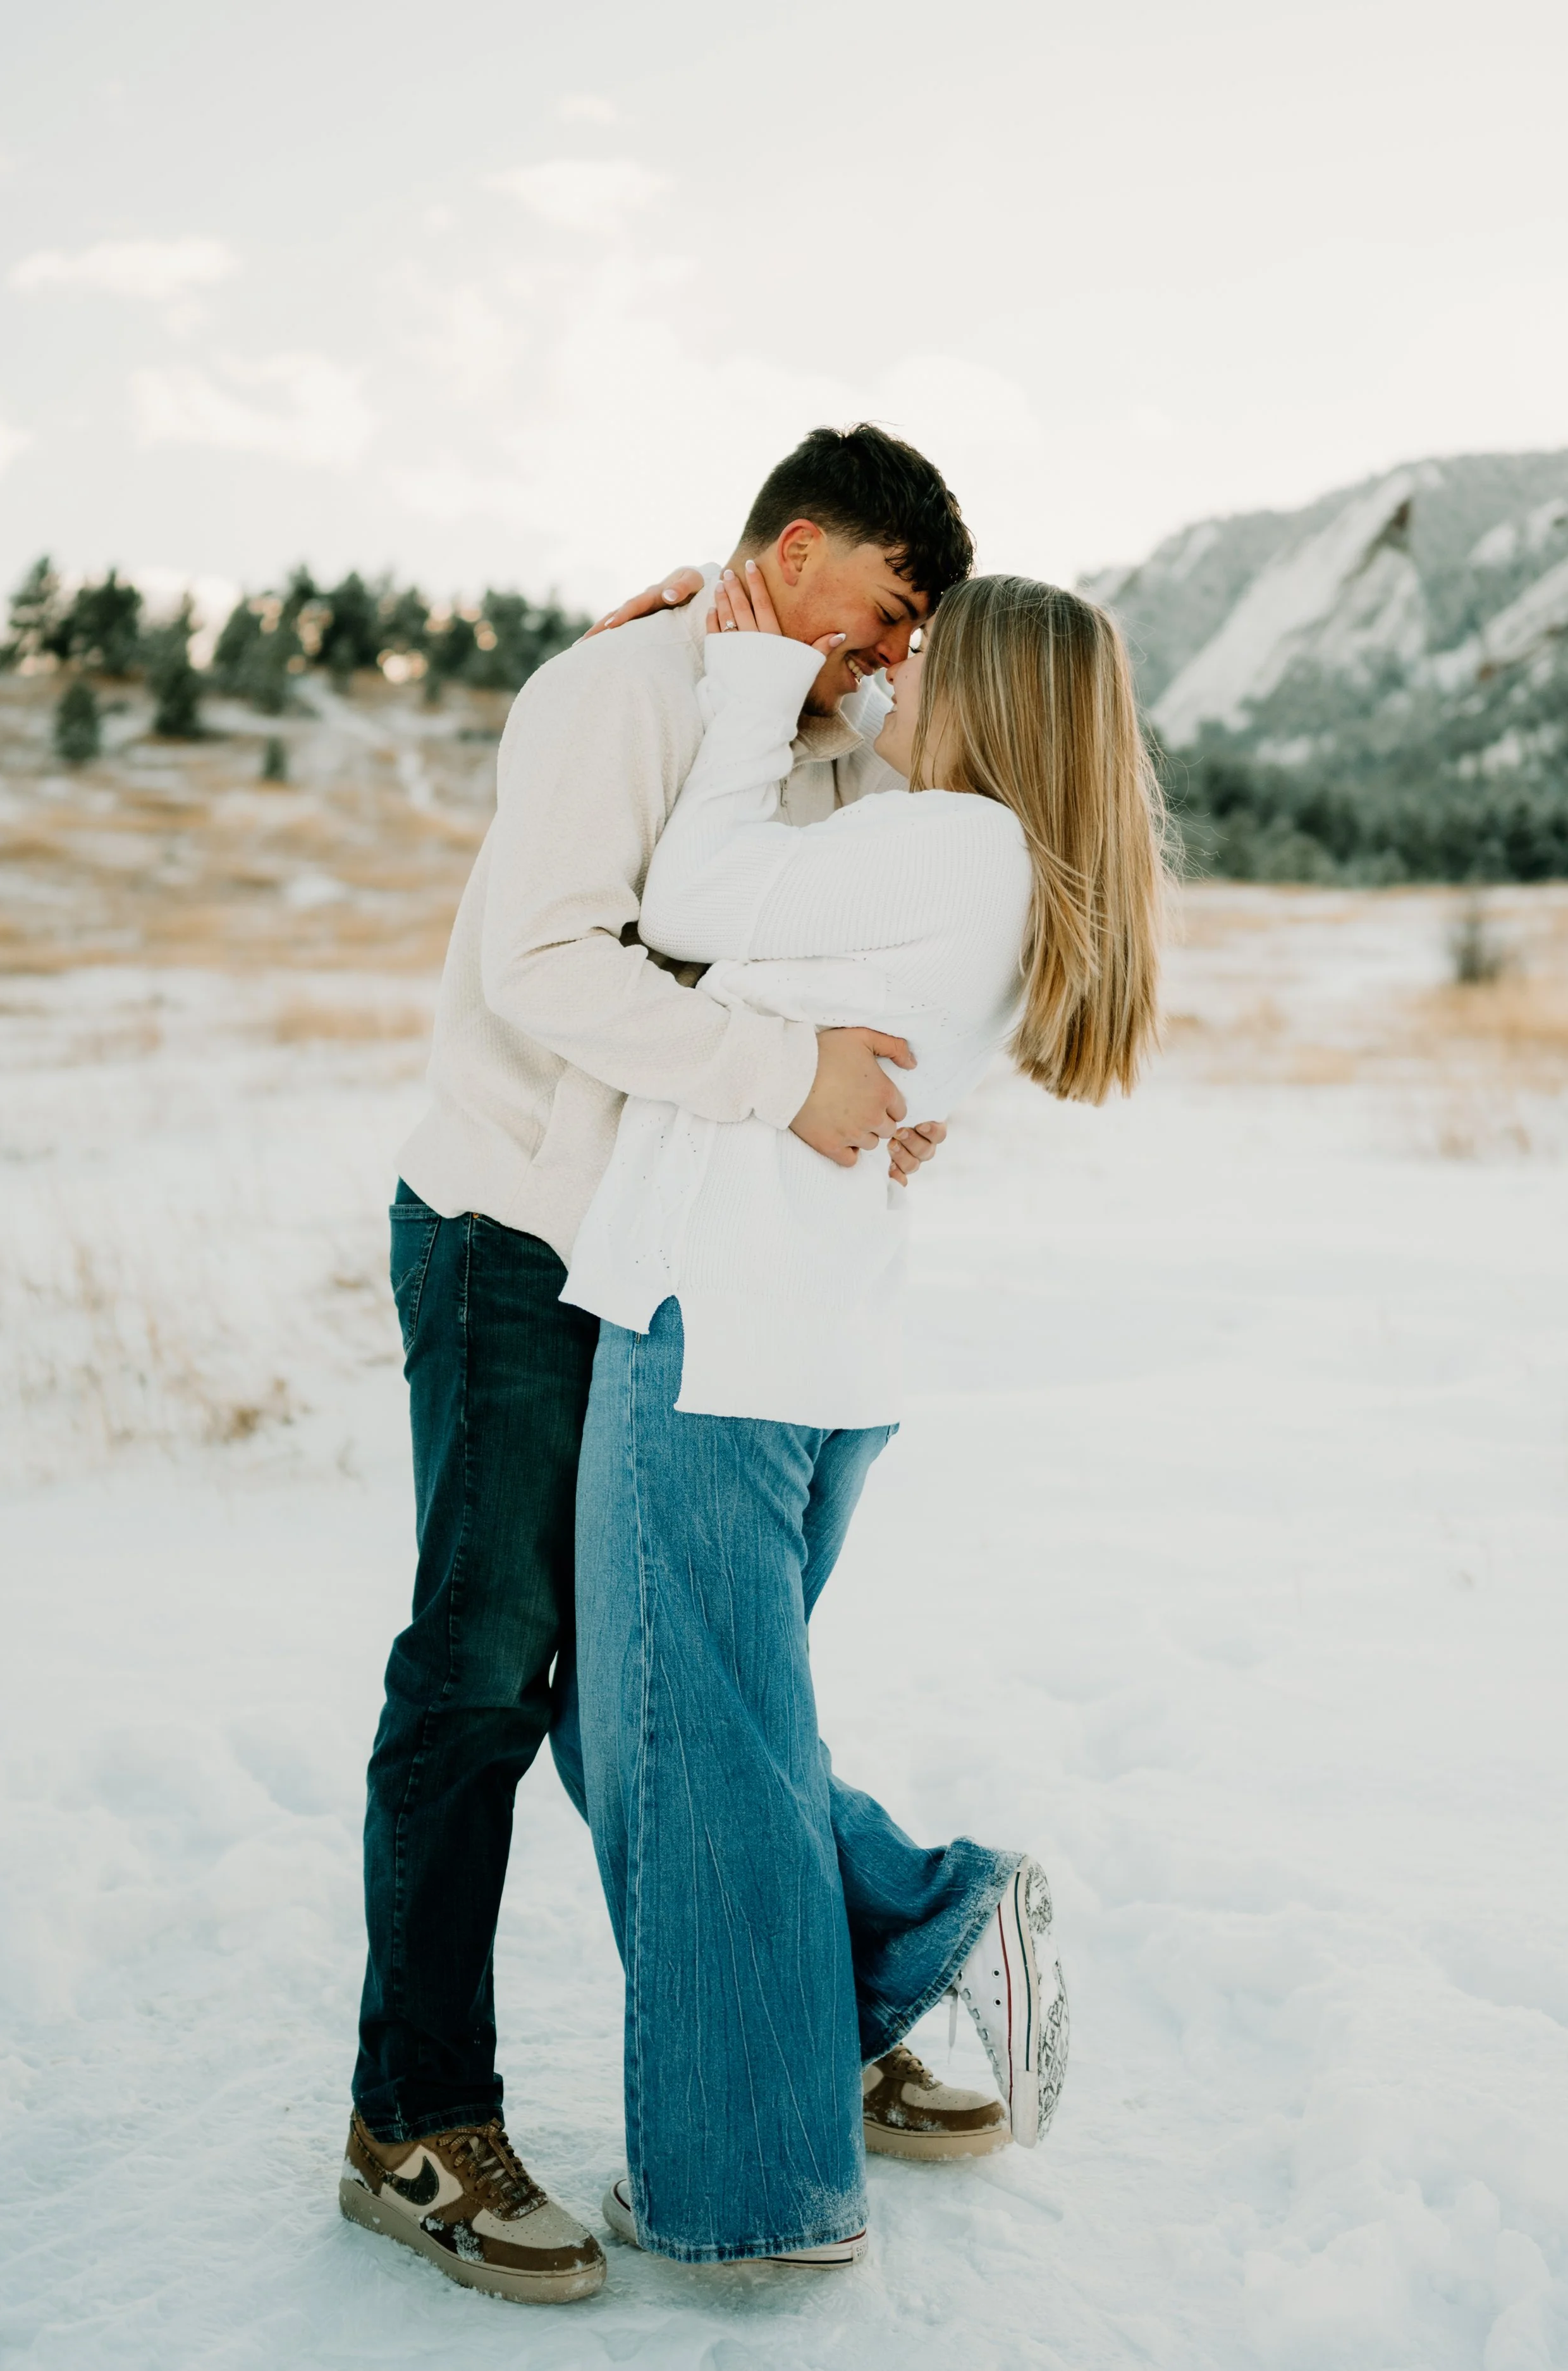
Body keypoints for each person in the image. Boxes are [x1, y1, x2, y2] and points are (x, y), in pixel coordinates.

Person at [340, 427, 1000, 2307]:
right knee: (485, 1673)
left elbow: (809, 970)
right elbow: (548, 963)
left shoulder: (808, 748)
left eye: (914, 639)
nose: (893, 663)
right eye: (883, 616)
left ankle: (808, 2013)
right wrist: (783, 1082)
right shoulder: (615, 694)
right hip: (509, 1241)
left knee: (676, 1679)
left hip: (666, 1271)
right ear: (794, 554)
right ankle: (413, 2117)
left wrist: (876, 1093)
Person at [560, 558, 1167, 2268]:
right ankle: (902, 1933)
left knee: (689, 1753)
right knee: (652, 1727)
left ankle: (758, 2182)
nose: (893, 680)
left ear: (988, 699)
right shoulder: (994, 870)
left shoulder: (955, 844)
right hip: (802, 1349)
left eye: (924, 661)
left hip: (721, 1336)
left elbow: (686, 892)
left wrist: (750, 680)